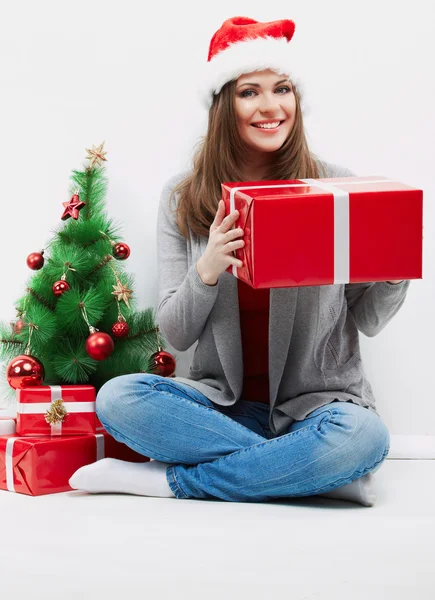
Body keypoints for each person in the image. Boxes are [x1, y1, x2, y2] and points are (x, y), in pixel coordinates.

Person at [70, 16, 410, 506]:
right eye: (251, 92)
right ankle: (312, 472)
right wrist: (206, 268)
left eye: (283, 89)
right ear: (223, 104)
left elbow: (368, 320)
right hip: (222, 406)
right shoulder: (183, 197)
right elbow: (177, 334)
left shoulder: (336, 187)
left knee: (364, 438)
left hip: (319, 408)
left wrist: (393, 269)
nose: (271, 107)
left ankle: (171, 483)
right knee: (118, 399)